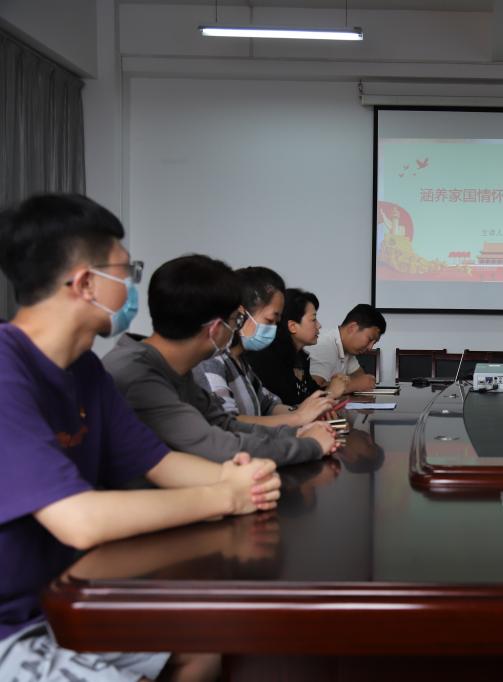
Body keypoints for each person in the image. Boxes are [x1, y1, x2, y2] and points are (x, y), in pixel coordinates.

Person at [0, 193, 280, 682]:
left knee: (201, 650)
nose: (131, 286)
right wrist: (226, 496)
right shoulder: (6, 369)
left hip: (62, 598)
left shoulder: (85, 369)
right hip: (10, 625)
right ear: (86, 283)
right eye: (125, 271)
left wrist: (241, 479)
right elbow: (79, 521)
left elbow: (159, 463)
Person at [103, 256, 336, 466]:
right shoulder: (137, 373)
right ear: (215, 328)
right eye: (236, 320)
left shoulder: (176, 368)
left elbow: (225, 424)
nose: (236, 329)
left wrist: (296, 433)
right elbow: (219, 445)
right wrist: (311, 445)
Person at [193, 266, 332, 427]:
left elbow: (269, 405)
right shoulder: (211, 361)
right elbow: (227, 422)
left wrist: (307, 412)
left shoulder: (240, 361)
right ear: (240, 314)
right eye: (269, 320)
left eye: (276, 322)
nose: (273, 329)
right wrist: (298, 417)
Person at [249, 288, 331, 405]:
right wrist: (332, 392)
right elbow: (287, 405)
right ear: (292, 326)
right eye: (313, 319)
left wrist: (334, 389)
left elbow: (312, 394)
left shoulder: (300, 357)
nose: (319, 325)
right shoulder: (268, 359)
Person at [306, 303, 387, 395]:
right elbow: (313, 390)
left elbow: (361, 377)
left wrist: (360, 382)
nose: (370, 347)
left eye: (374, 343)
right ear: (352, 328)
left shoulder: (348, 349)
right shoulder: (324, 345)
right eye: (370, 339)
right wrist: (354, 385)